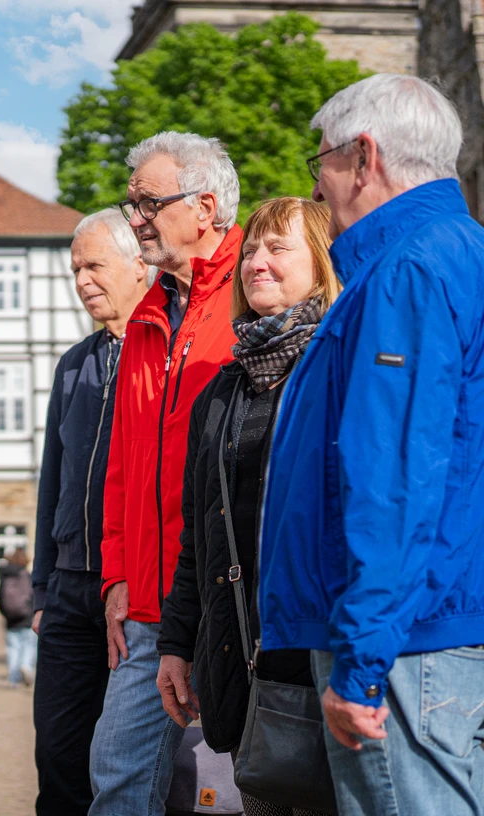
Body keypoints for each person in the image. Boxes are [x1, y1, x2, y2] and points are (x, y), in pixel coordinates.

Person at [259, 74, 484, 815]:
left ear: (364, 157)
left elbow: (393, 476)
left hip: (404, 641)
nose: (319, 188)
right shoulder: (461, 251)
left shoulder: (407, 270)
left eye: (319, 163)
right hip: (433, 621)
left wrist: (360, 661)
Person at [156, 197, 342, 816]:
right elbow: (198, 535)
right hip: (240, 662)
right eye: (253, 250)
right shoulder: (222, 390)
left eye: (278, 248)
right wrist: (177, 645)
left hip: (323, 664)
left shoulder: (343, 370)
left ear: (322, 263)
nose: (256, 261)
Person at [92, 132, 243, 816]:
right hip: (149, 606)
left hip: (234, 601)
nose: (135, 219)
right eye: (133, 203)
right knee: (118, 773)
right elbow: (122, 465)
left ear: (205, 206)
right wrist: (116, 575)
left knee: (242, 791)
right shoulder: (150, 313)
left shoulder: (254, 290)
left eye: (148, 202)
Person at [31, 207, 151, 815]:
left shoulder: (163, 354)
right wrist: (42, 588)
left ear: (139, 265)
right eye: (74, 268)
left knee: (124, 758)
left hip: (134, 591)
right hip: (69, 590)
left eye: (94, 265)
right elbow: (53, 481)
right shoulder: (75, 363)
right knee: (57, 755)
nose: (81, 280)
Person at [0, 547, 36, 687]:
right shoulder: (26, 576)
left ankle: (13, 678)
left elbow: (0, 597)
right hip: (26, 617)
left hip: (11, 619)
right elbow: (33, 596)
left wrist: (5, 613)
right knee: (28, 645)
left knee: (13, 648)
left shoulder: (5, 575)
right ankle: (26, 666)